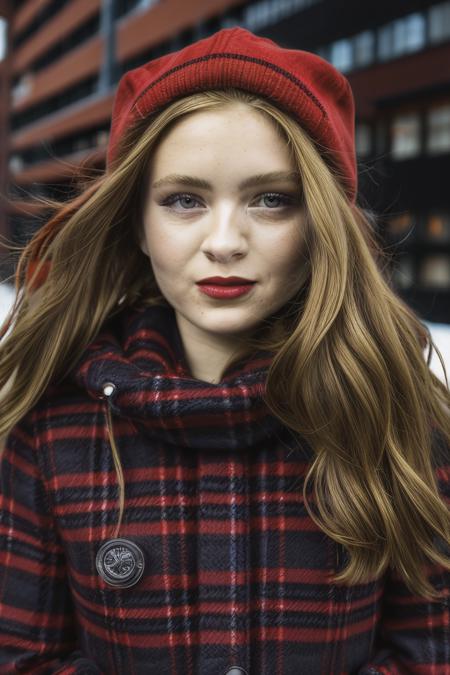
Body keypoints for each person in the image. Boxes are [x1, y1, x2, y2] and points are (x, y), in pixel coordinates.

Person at [0, 26, 449, 675]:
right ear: (138, 222)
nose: (225, 240)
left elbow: (431, 655)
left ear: (320, 219)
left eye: (271, 200)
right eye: (184, 200)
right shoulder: (53, 429)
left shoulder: (392, 417)